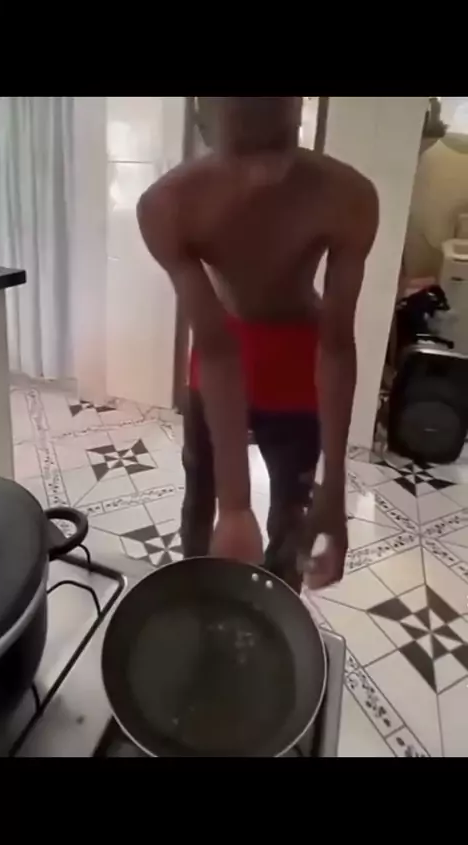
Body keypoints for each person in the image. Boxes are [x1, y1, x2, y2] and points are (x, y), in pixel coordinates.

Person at [137, 96, 379, 592]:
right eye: (243, 150)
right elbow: (218, 348)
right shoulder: (168, 205)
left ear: (299, 107)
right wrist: (235, 505)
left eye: (280, 143)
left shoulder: (347, 196)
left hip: (300, 356)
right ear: (206, 126)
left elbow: (336, 344)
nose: (262, 175)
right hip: (220, 349)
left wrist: (335, 487)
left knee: (292, 515)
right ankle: (195, 596)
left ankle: (275, 609)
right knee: (203, 501)